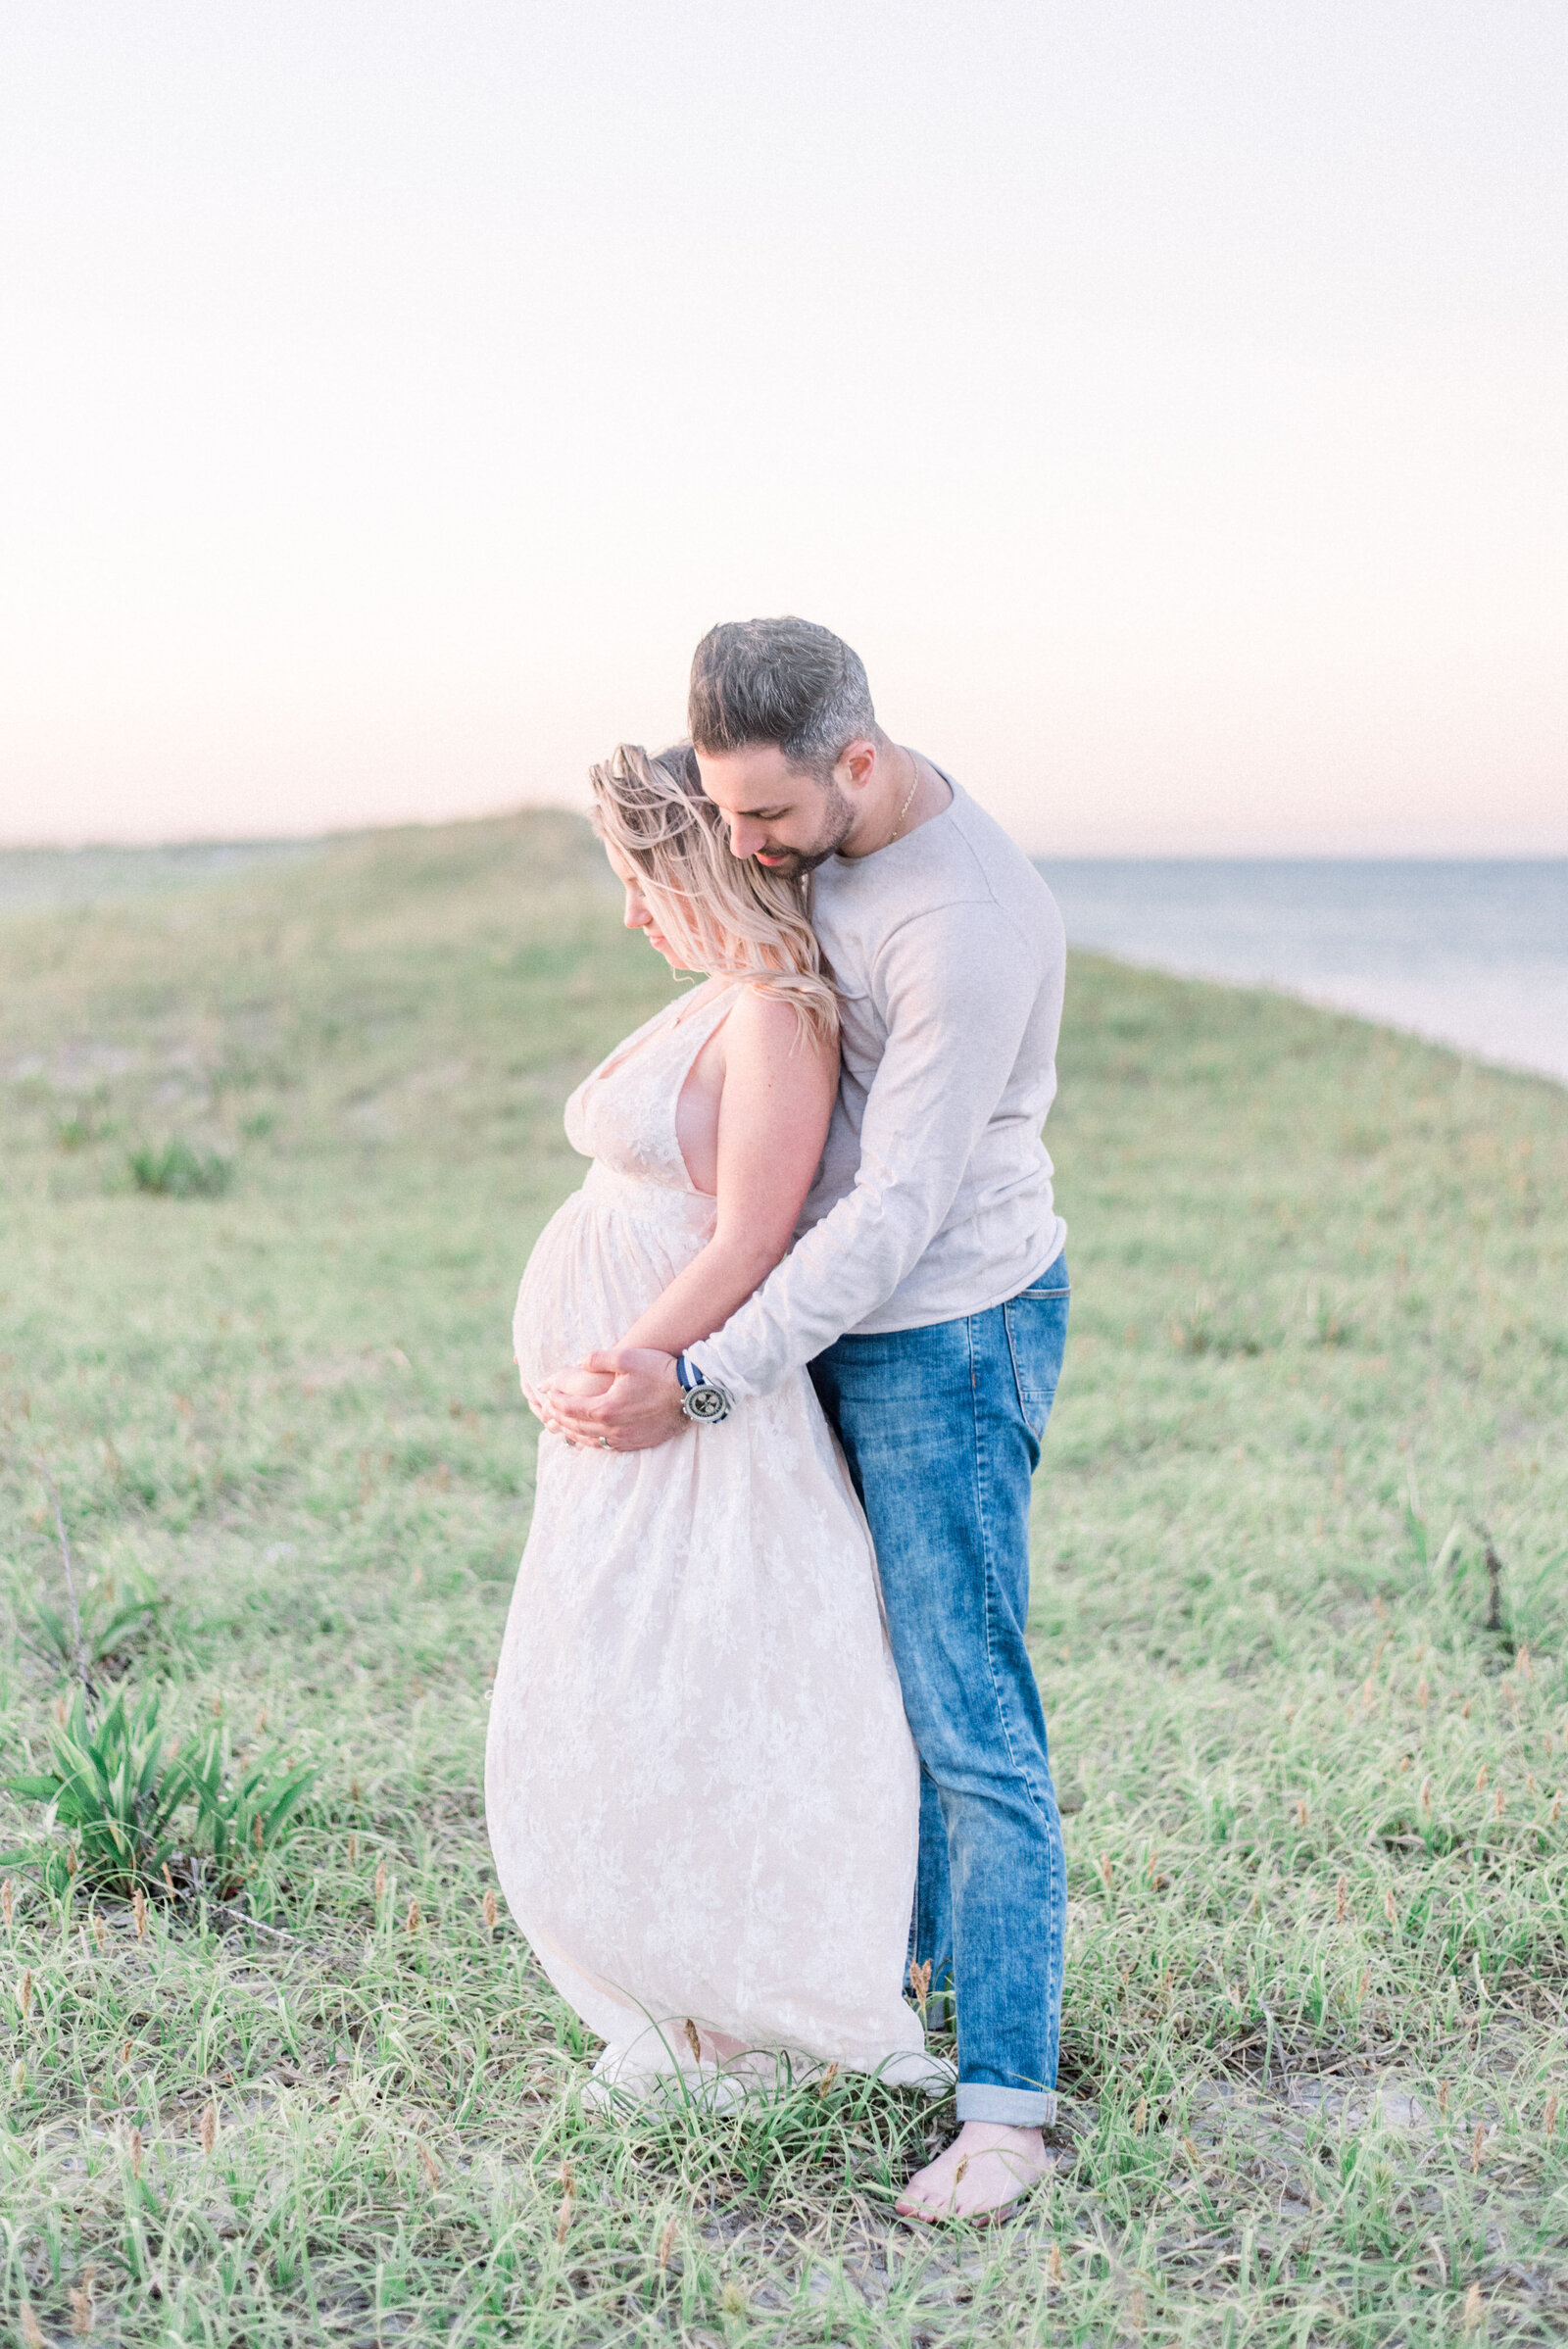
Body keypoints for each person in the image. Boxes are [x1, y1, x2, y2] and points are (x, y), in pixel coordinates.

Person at [544, 617, 1071, 2224]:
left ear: (857, 758)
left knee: (966, 1712)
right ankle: (865, 2000)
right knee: (843, 1671)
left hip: (945, 1334)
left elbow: (894, 1210)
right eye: (729, 817)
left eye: (767, 820)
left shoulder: (961, 922)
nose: (751, 850)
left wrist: (705, 1374)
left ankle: (1008, 2111)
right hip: (817, 1329)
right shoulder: (795, 817)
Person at [485, 741, 950, 2107]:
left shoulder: (778, 1011)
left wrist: (633, 1358)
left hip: (692, 1410)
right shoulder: (716, 996)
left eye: (643, 880)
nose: (633, 913)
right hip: (629, 1405)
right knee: (625, 1683)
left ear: (698, 866)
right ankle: (679, 1982)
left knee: (712, 1682)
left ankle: (747, 2002)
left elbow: (751, 1234)